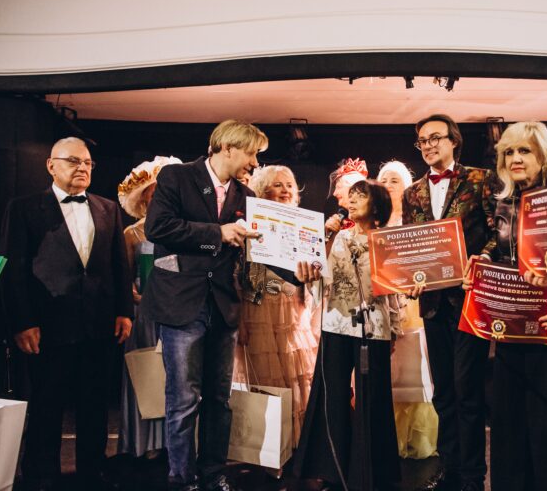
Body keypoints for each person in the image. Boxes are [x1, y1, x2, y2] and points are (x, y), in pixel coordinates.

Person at [463, 122, 547, 490]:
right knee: (510, 429)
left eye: (524, 150)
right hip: (512, 331)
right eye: (508, 152)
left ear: (544, 156)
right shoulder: (505, 202)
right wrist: (482, 265)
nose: (515, 158)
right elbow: (502, 248)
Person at [140, 120, 267, 491]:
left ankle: (214, 474)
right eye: (251, 153)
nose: (255, 163)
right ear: (227, 147)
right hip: (182, 304)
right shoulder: (176, 177)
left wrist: (302, 265)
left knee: (219, 399)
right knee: (182, 399)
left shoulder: (247, 196)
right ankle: (182, 478)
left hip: (223, 307)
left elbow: (261, 250)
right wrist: (218, 234)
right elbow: (158, 228)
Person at [0, 137, 132, 490]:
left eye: (88, 162)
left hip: (98, 324)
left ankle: (92, 472)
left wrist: (124, 311)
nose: (82, 168)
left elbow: (119, 265)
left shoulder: (107, 208)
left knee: (95, 404)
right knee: (47, 404)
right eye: (73, 161)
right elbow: (13, 270)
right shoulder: (24, 208)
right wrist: (22, 322)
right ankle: (41, 476)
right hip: (48, 325)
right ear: (51, 165)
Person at [403, 114, 500, 491]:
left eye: (435, 138)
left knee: (467, 391)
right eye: (422, 141)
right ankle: (450, 468)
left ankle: (473, 475)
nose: (428, 146)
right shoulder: (412, 192)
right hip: (432, 303)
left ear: (454, 141)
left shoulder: (481, 179)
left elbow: (498, 232)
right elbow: (411, 245)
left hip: (470, 300)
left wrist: (485, 257)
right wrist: (409, 278)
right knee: (443, 391)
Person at [293, 180, 402, 490]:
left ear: (377, 204)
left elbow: (394, 292)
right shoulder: (338, 236)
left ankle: (370, 473)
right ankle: (331, 470)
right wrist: (325, 239)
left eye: (360, 196)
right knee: (332, 396)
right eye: (350, 196)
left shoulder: (387, 240)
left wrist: (394, 328)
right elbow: (319, 278)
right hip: (336, 324)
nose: (351, 201)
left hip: (373, 326)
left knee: (373, 398)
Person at [232, 165, 318, 448]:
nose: (285, 190)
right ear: (262, 189)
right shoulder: (248, 224)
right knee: (265, 378)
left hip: (292, 309)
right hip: (258, 309)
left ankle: (296, 446)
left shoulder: (304, 225)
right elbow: (238, 273)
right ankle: (269, 449)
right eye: (278, 185)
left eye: (289, 185)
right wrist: (239, 319)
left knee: (296, 375)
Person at [116, 156, 182, 458]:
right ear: (144, 198)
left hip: (177, 312)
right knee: (145, 372)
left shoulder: (182, 230)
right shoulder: (132, 233)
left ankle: (174, 443)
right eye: (156, 192)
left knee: (177, 375)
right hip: (145, 316)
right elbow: (123, 278)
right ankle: (145, 444)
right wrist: (132, 295)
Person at [378, 161, 439, 460]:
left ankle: (415, 437)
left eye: (395, 180)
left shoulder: (415, 220)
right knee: (388, 373)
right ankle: (388, 438)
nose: (389, 185)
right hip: (382, 306)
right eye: (384, 180)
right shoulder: (374, 224)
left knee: (414, 372)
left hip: (413, 305)